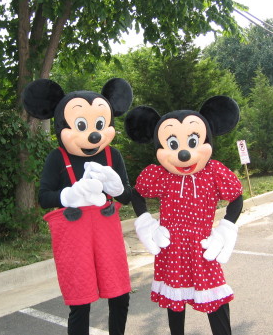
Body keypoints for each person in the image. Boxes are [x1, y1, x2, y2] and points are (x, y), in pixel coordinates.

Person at [21, 78, 133, 335]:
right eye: (81, 125)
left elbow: (126, 196)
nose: (92, 134)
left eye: (99, 124)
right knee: (80, 302)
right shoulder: (57, 157)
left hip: (107, 236)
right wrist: (69, 196)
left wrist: (115, 189)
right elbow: (43, 197)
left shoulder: (112, 155)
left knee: (120, 294)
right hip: (74, 238)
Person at [125, 96, 243, 335]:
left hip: (203, 246)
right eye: (172, 144)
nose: (184, 154)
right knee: (175, 301)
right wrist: (147, 223)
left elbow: (236, 197)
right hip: (172, 247)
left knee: (215, 298)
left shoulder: (214, 172)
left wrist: (224, 230)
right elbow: (136, 194)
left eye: (192, 141)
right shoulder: (160, 175)